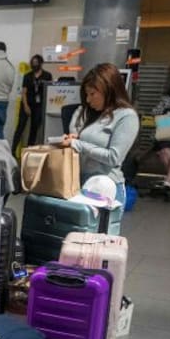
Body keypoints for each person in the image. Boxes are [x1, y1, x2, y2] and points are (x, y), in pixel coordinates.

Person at [61, 63, 139, 230]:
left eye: (92, 94)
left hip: (106, 187)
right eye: (86, 94)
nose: (88, 100)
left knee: (98, 244)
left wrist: (79, 143)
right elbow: (76, 132)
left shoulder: (126, 116)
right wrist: (74, 138)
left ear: (108, 89)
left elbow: (114, 157)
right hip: (79, 184)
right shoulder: (86, 111)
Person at [14, 55, 52, 150]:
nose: (34, 64)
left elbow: (50, 91)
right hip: (27, 103)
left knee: (34, 128)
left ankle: (29, 149)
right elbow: (24, 92)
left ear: (41, 63)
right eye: (33, 62)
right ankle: (13, 149)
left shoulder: (47, 76)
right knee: (20, 127)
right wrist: (26, 106)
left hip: (39, 106)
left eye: (36, 62)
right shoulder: (27, 75)